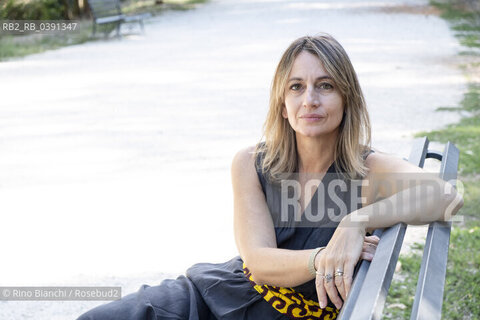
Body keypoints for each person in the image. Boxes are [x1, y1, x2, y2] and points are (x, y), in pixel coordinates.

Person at [77, 33, 463, 320]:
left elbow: (446, 196)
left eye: (324, 86)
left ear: (346, 99)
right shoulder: (251, 162)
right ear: (282, 104)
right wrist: (325, 258)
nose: (309, 99)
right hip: (213, 296)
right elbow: (258, 262)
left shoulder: (366, 170)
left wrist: (356, 220)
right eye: (296, 87)